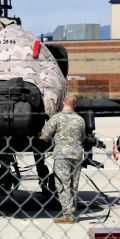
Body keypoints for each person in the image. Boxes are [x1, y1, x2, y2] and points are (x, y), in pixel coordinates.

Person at [38, 94, 86, 224]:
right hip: (76, 154)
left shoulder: (57, 118)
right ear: (75, 105)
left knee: (62, 184)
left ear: (62, 103)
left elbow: (45, 135)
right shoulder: (80, 120)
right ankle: (72, 211)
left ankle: (68, 215)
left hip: (62, 155)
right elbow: (83, 138)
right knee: (73, 184)